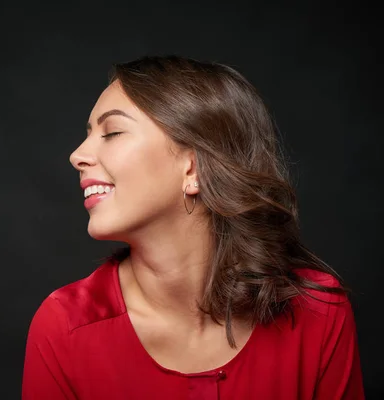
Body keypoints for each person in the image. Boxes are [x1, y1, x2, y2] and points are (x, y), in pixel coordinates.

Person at [21, 55, 364, 399]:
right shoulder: (65, 326)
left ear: (193, 168)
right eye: (89, 134)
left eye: (112, 132)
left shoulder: (317, 311)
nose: (77, 155)